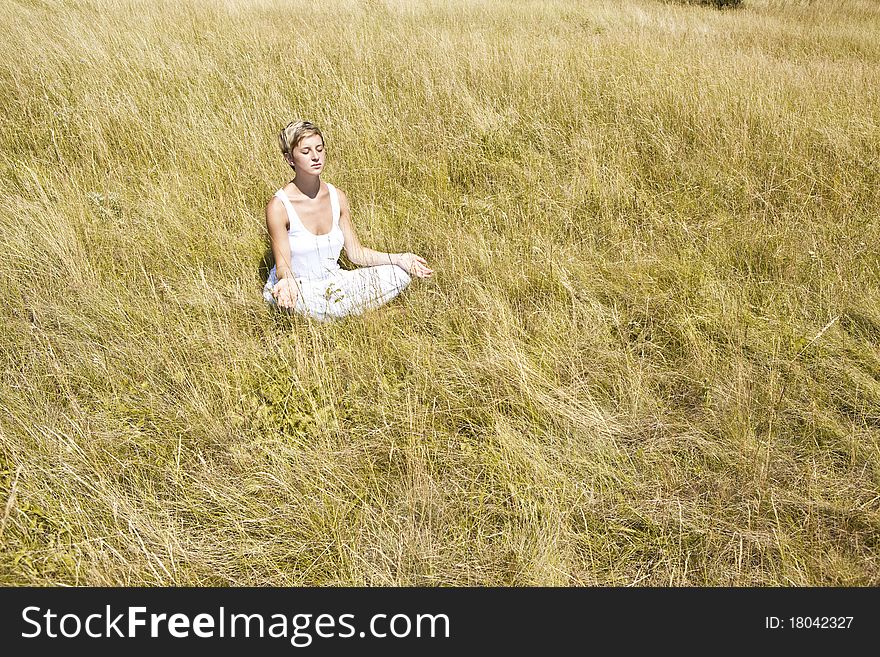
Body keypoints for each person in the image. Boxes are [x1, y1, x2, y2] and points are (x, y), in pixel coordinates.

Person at [263, 120, 433, 322]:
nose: (316, 157)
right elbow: (283, 266)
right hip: (298, 286)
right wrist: (286, 283)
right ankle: (361, 316)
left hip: (334, 282)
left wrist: (400, 258)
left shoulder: (337, 196)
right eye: (306, 152)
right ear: (290, 159)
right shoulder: (279, 206)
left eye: (319, 149)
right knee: (302, 303)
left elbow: (356, 253)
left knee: (400, 274)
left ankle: (342, 315)